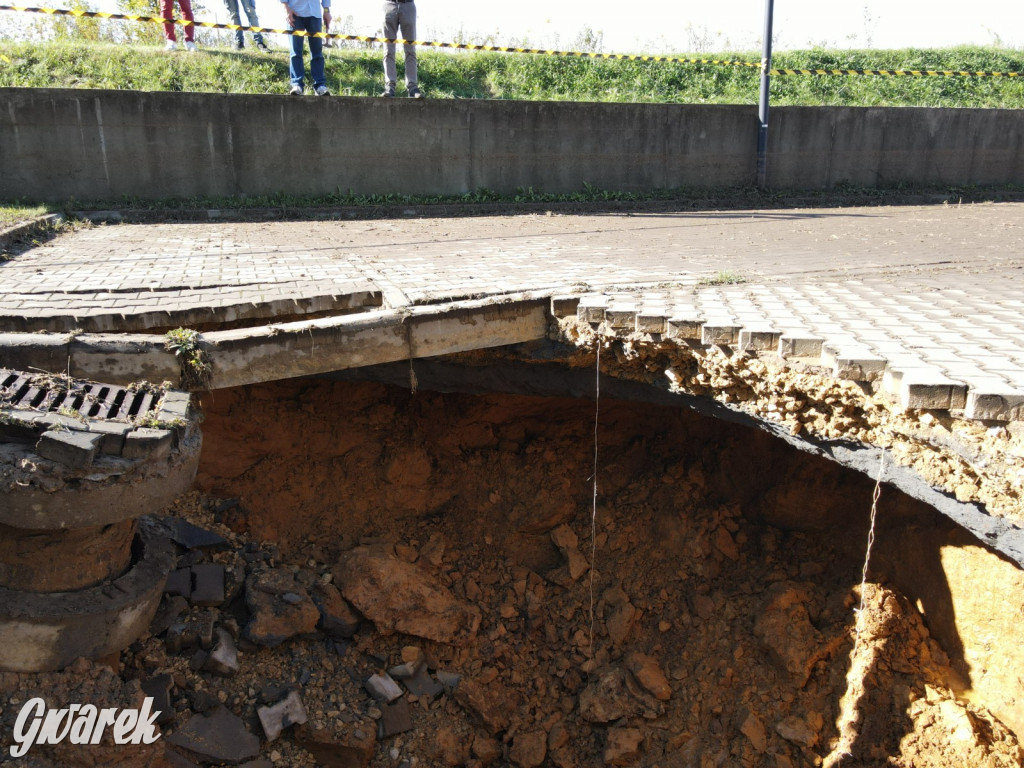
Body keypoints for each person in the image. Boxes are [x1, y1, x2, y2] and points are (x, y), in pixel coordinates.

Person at [282, 0, 331, 96]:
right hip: (295, 13)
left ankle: (320, 86)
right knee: (295, 52)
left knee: (317, 53)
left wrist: (326, 11)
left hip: (314, 14)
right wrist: (286, 8)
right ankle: (296, 84)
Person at [381, 0, 421, 98]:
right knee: (388, 50)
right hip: (389, 4)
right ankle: (389, 87)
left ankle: (413, 88)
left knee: (410, 50)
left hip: (408, 4)